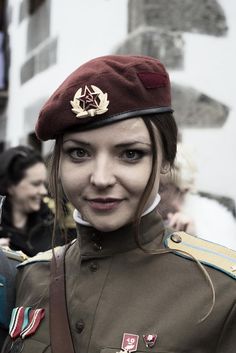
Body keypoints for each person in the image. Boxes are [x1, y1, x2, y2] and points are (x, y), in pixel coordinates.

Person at [1, 55, 235, 353]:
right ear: (58, 163)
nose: (100, 178)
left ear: (166, 162)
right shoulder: (30, 277)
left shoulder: (221, 291)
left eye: (130, 154)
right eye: (79, 153)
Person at [158, 143, 236, 250]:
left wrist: (193, 239)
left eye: (160, 189)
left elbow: (228, 262)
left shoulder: (214, 217)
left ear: (183, 190)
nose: (152, 195)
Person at [0, 145, 64, 256]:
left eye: (43, 184)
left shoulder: (49, 221)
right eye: (35, 184)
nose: (44, 191)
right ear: (10, 185)